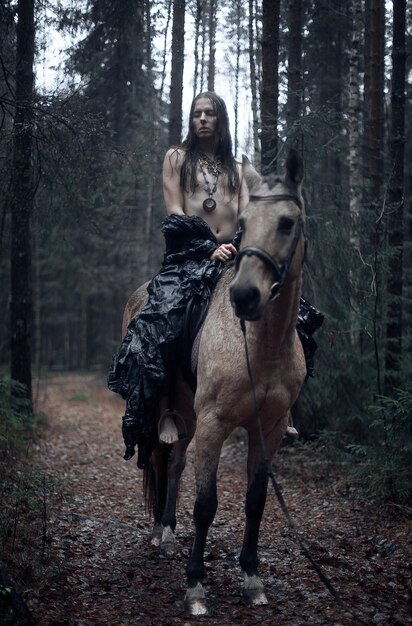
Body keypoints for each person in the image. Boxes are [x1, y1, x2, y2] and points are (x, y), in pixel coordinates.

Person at [108, 92, 248, 468]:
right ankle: (168, 406)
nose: (202, 119)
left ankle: (279, 407)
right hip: (188, 255)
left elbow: (250, 217)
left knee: (287, 309)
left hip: (234, 256)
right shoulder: (176, 159)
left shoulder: (239, 166)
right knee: (162, 318)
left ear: (221, 120)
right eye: (197, 114)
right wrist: (207, 249)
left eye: (210, 114)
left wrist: (235, 247)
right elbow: (174, 212)